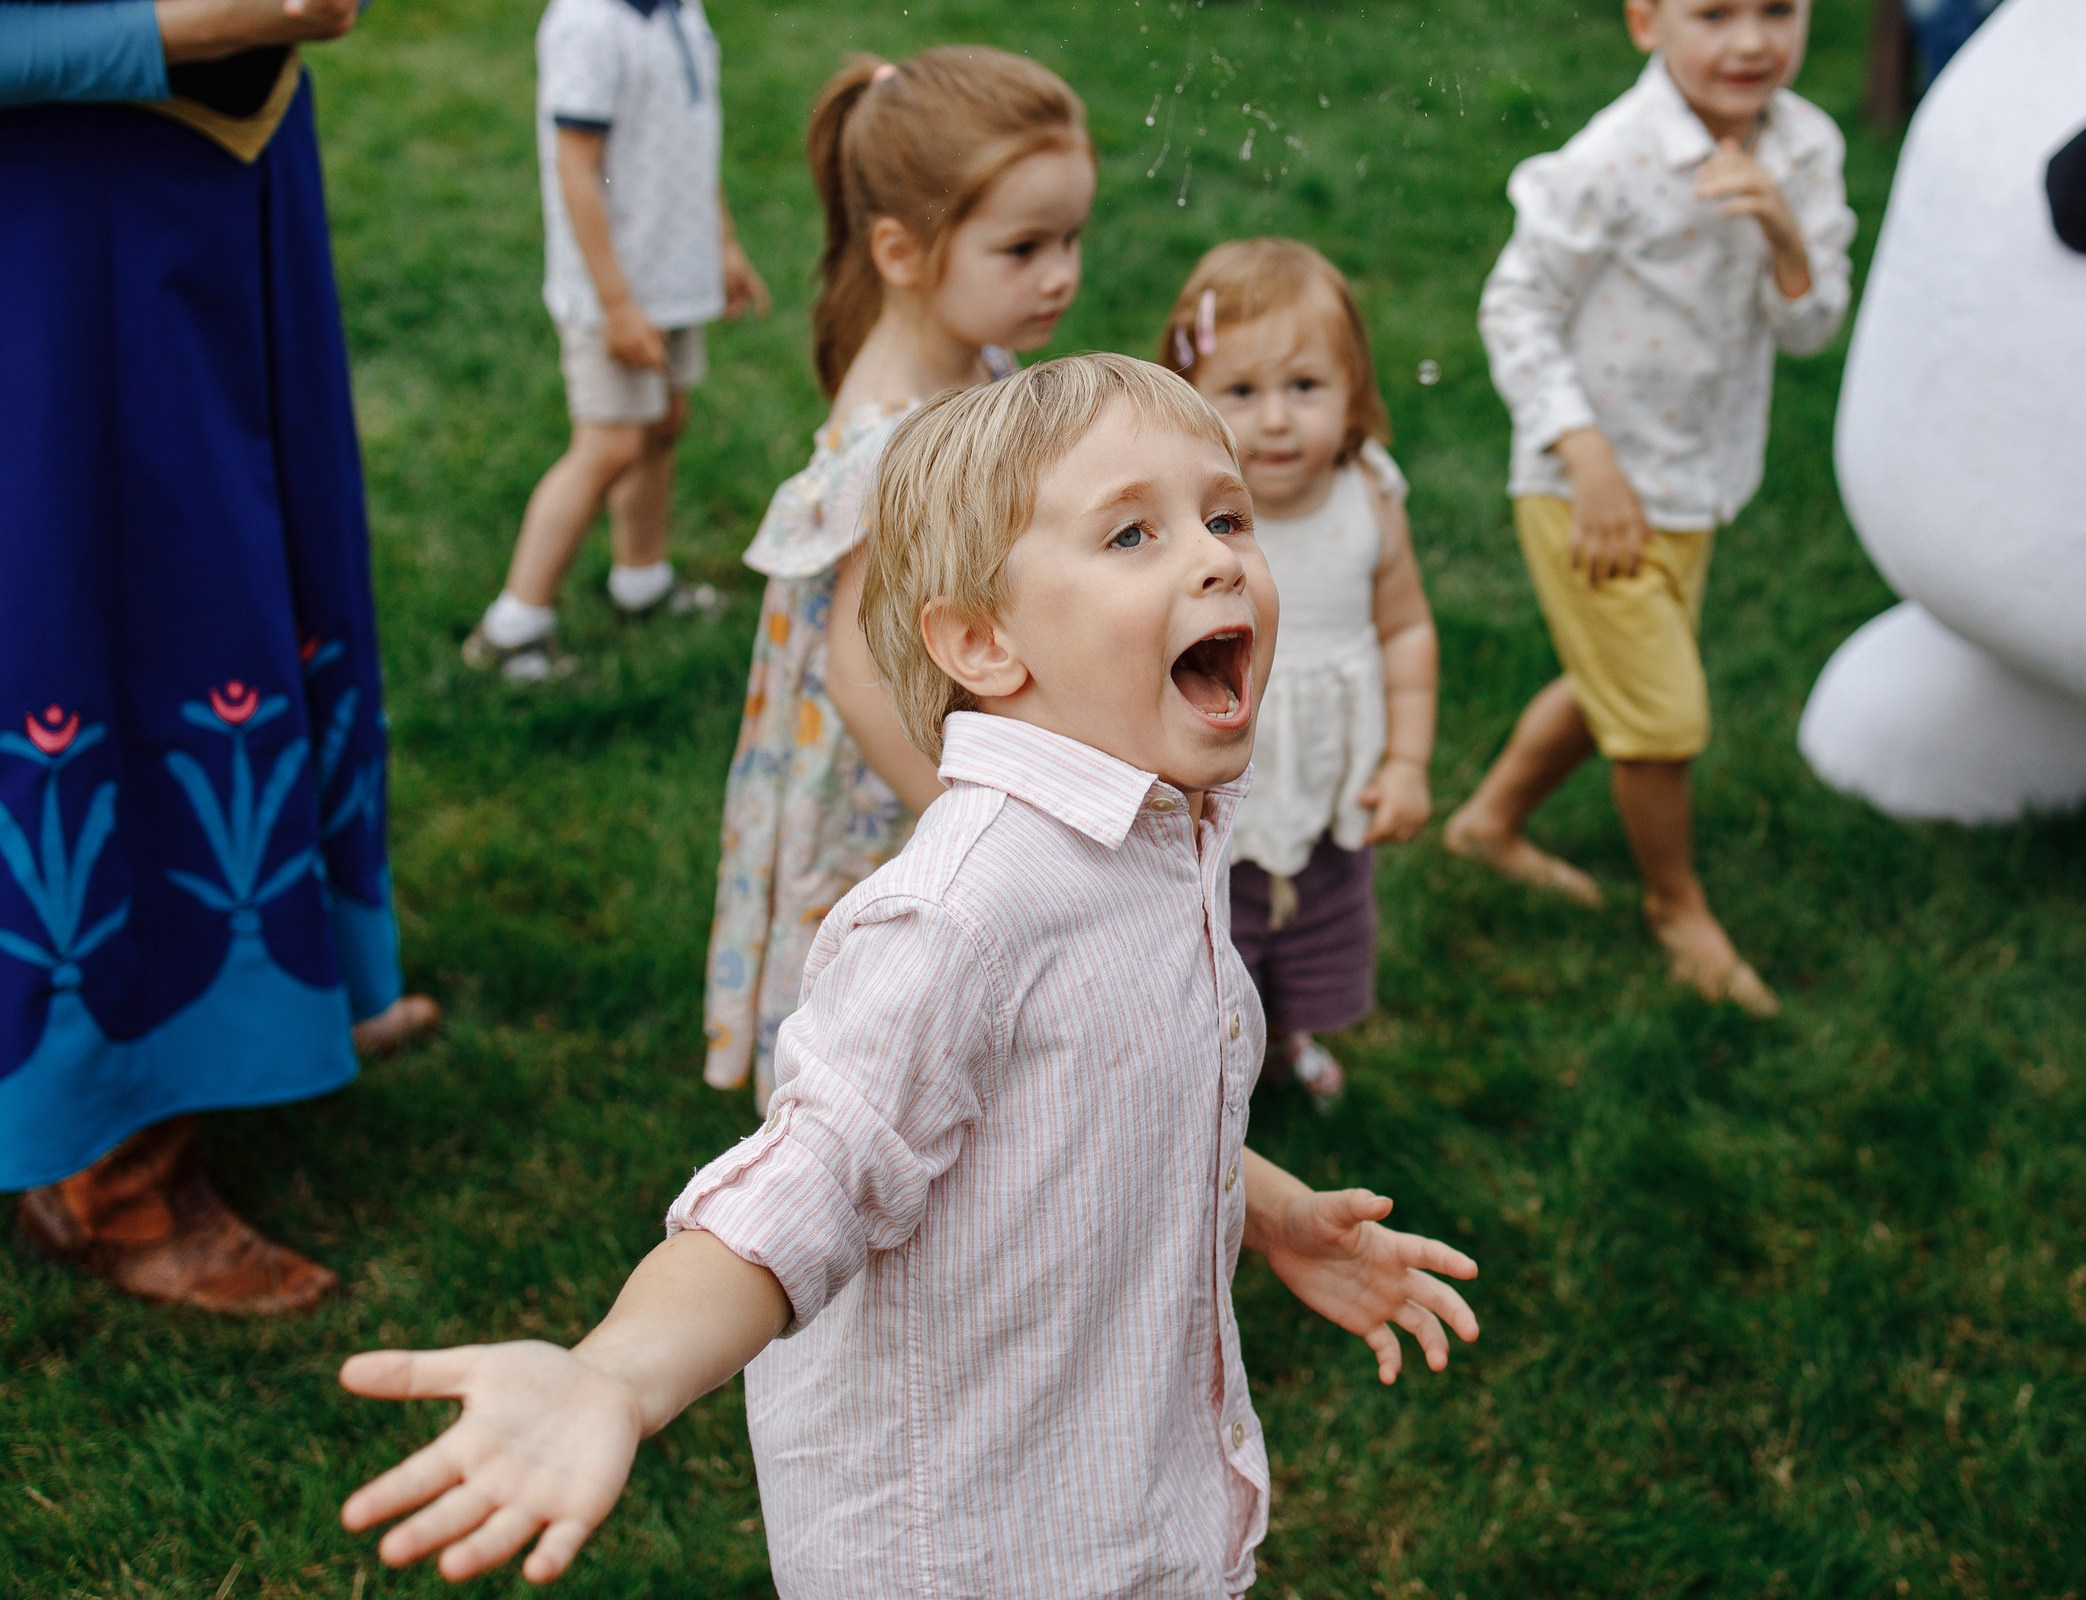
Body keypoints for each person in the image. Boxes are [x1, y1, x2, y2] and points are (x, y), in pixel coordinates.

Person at [337, 353, 1480, 1594]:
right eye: (1133, 533)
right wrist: (613, 1374)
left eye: (1224, 517)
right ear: (983, 641)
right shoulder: (959, 915)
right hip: (973, 1543)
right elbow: (800, 1189)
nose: (1214, 558)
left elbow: (1109, 1082)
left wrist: (1265, 1211)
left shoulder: (1165, 830)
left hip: (1126, 1501)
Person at [1, 0, 439, 1315]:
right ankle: (103, 1157)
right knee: (106, 616)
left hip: (218, 178)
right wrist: (183, 29)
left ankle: (284, 977)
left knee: (244, 580)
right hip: (56, 208)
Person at [1446, 0, 1853, 1016]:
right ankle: (1677, 907)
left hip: (1697, 480)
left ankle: (1488, 824)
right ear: (1646, 22)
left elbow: (1810, 330)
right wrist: (1585, 454)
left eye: (1778, 10)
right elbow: (1515, 305)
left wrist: (1782, 232)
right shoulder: (1612, 159)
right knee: (1663, 715)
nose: (1752, 41)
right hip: (1592, 492)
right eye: (1714, 13)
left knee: (1613, 682)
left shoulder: (1805, 147)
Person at [701, 46, 1091, 1108]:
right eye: (1024, 247)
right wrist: (962, 814)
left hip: (946, 727)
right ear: (903, 251)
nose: (1061, 274)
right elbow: (863, 673)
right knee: (889, 1034)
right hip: (888, 788)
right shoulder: (893, 446)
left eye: (1071, 238)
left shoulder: (971, 357)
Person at [1159, 239, 1437, 1109]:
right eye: (1241, 392)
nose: (1275, 420)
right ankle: (1204, 1070)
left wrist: (1406, 763)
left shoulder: (1369, 496)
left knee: (1318, 913)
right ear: (1188, 400)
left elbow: (1406, 627)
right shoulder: (1184, 518)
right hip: (1213, 782)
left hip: (1326, 778)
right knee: (1210, 930)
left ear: (1353, 387)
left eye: (1305, 388)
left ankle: (1290, 1038)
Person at [459, 0, 770, 681]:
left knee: (663, 422)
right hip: (615, 288)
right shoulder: (590, 23)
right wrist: (618, 304)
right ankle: (513, 624)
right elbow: (576, 167)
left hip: (669, 273)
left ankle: (642, 580)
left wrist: (722, 244)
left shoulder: (682, 13)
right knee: (609, 444)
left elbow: (694, 142)